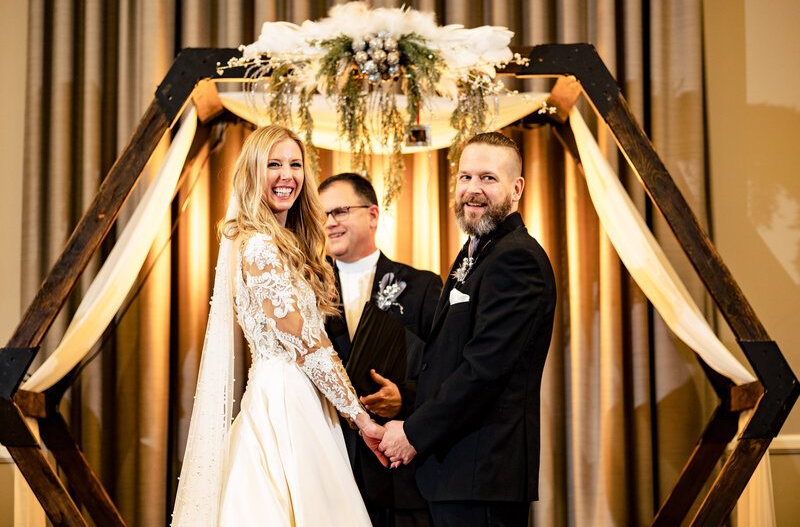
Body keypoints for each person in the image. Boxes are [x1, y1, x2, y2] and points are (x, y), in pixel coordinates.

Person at [171, 125, 386, 526]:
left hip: (299, 394)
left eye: (295, 164)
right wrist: (360, 418)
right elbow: (308, 345)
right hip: (285, 400)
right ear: (253, 173)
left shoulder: (282, 243)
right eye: (273, 164)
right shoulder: (260, 247)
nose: (287, 175)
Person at [379, 132, 557, 527]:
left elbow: (484, 370)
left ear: (517, 188)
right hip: (456, 473)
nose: (472, 190)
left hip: (483, 473)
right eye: (465, 177)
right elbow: (448, 359)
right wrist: (406, 397)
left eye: (488, 179)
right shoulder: (476, 251)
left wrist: (413, 432)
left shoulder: (517, 260)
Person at [319, 173, 443, 527]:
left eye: (339, 211)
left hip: (398, 474)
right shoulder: (304, 288)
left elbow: (444, 370)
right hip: (329, 464)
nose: (329, 223)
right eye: (322, 215)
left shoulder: (421, 287)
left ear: (372, 215)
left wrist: (403, 398)